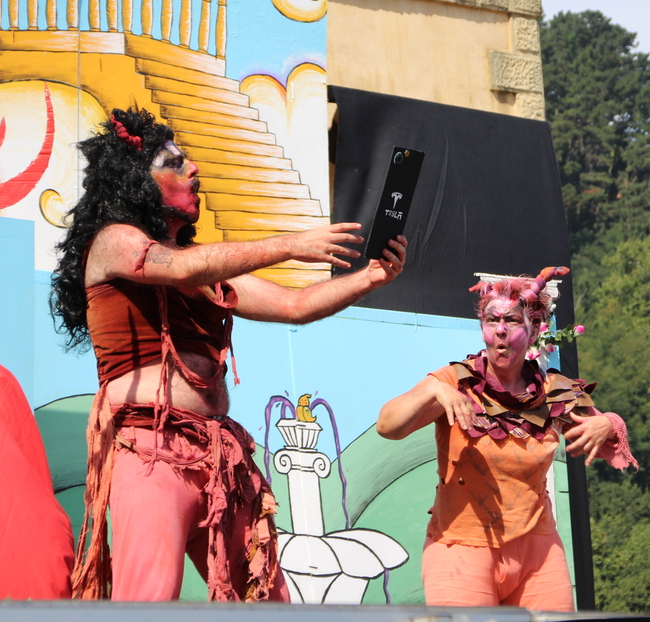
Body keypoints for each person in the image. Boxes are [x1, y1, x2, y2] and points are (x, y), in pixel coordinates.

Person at [50, 106, 406, 602]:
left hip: (219, 456)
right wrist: (291, 245)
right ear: (134, 183)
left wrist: (371, 278)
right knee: (148, 601)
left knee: (266, 600)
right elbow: (177, 269)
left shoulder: (204, 270)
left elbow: (295, 305)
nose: (193, 169)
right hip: (150, 450)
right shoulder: (114, 241)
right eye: (174, 163)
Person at [376, 267, 636, 612]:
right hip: (461, 549)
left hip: (538, 550)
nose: (500, 330)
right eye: (491, 320)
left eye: (512, 320)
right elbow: (387, 426)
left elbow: (607, 440)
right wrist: (433, 392)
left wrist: (609, 422)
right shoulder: (454, 381)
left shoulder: (553, 390)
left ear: (534, 330)